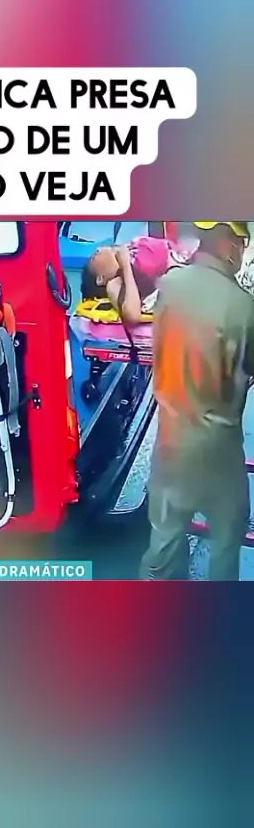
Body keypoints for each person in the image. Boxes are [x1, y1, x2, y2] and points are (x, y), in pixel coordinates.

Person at [140, 221, 254, 580]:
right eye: (242, 243)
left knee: (163, 544)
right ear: (229, 245)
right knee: (226, 538)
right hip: (218, 451)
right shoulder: (242, 306)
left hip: (170, 442)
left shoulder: (170, 285)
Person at [80, 235, 192, 325]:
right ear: (101, 279)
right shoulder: (114, 284)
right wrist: (125, 265)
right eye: (94, 256)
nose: (98, 249)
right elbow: (133, 316)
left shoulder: (134, 254)